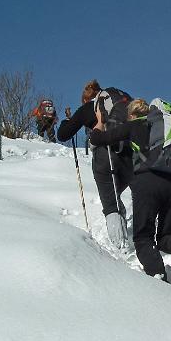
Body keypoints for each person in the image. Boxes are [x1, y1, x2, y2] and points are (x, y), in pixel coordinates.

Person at [90, 99, 171, 282]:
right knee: (166, 235)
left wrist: (99, 121)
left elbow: (98, 139)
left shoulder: (135, 125)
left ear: (132, 114)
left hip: (148, 182)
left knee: (143, 239)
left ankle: (159, 282)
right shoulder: (169, 131)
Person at [57, 80, 135, 249]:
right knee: (114, 195)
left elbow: (63, 134)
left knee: (110, 204)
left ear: (87, 99)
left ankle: (120, 248)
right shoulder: (120, 101)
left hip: (106, 154)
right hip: (132, 156)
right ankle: (132, 237)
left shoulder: (91, 106)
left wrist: (66, 122)